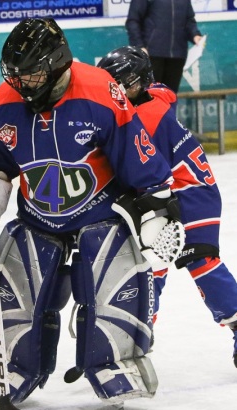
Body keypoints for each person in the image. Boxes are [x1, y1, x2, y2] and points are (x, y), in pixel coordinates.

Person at [0, 18, 185, 408]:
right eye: (16, 76)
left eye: (33, 75)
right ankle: (10, 363)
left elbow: (134, 152)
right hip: (38, 215)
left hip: (99, 213)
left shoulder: (100, 92)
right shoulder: (5, 103)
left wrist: (156, 205)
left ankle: (116, 362)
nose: (22, 85)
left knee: (111, 270)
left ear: (58, 64)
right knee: (18, 268)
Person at [97, 46, 237, 368]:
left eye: (124, 84)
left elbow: (135, 172)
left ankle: (138, 334)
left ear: (140, 83)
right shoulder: (153, 97)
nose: (118, 91)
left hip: (191, 192)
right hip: (170, 189)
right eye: (113, 85)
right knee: (149, 263)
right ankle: (137, 333)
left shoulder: (146, 117)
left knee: (197, 260)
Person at [125, 0, 203, 93]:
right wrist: (139, 46)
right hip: (151, 55)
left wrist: (195, 35)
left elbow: (189, 20)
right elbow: (133, 20)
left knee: (170, 97)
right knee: (151, 97)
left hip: (178, 55)